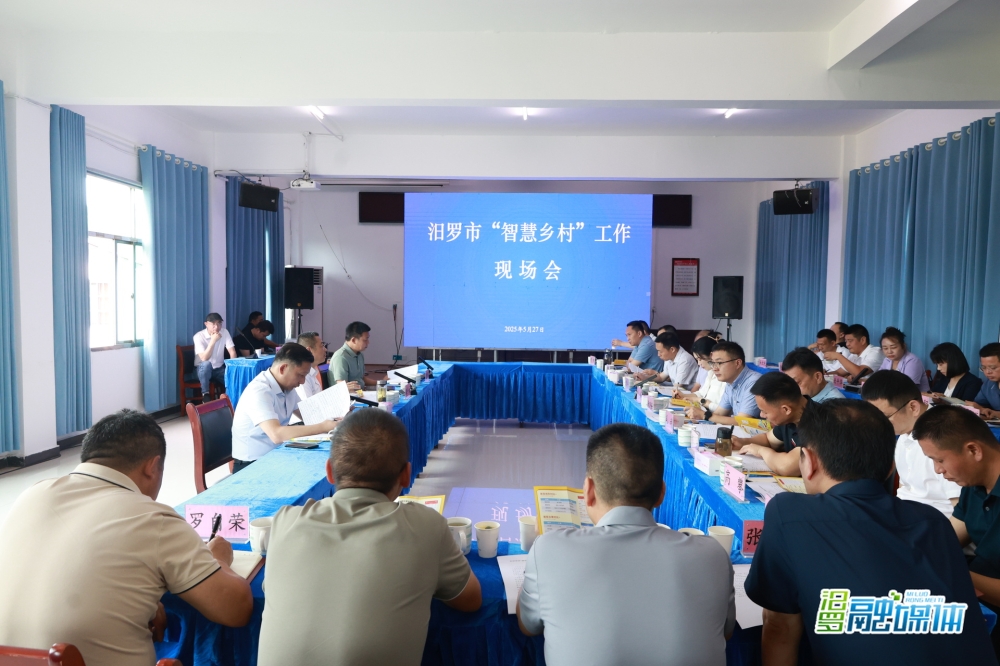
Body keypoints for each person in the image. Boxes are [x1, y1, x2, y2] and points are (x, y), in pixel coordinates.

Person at [746, 400, 995, 665]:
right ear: (890, 468)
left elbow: (780, 627)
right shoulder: (933, 521)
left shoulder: (788, 512)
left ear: (808, 462)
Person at [0, 410, 253, 666]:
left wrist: (144, 601)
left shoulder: (31, 495)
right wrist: (218, 559)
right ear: (152, 467)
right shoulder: (154, 520)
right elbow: (236, 610)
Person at [257, 408, 482, 666]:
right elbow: (470, 599)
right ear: (406, 475)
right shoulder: (425, 526)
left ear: (329, 471)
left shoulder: (285, 522)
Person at [517, 423, 734, 666]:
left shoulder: (549, 549)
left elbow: (527, 625)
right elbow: (725, 631)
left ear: (588, 490)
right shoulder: (713, 555)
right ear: (661, 493)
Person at [913, 405, 1000, 655]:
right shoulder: (974, 484)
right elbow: (951, 535)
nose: (937, 470)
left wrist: (952, 572)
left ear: (973, 450)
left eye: (939, 460)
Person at [863, 370, 961, 516]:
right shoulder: (904, 434)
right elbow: (905, 490)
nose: (878, 425)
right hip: (906, 516)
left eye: (885, 417)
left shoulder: (944, 438)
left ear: (913, 407)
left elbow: (961, 512)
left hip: (937, 522)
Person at [231, 343, 340, 471]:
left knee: (328, 462)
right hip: (252, 465)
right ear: (283, 368)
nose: (302, 382)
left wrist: (336, 419)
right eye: (301, 375)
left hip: (277, 455)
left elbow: (309, 415)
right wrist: (323, 426)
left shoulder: (287, 387)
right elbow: (276, 434)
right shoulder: (259, 391)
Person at [733, 372, 813, 476]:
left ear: (786, 409)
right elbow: (769, 440)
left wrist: (761, 451)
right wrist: (742, 442)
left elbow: (787, 467)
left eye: (765, 412)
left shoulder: (818, 424)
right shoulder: (790, 417)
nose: (761, 415)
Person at [685, 341, 761, 425]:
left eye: (719, 363)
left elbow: (742, 421)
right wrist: (695, 419)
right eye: (712, 363)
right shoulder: (730, 382)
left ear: (737, 363)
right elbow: (719, 413)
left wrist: (704, 415)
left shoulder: (754, 382)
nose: (714, 368)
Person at [193, 312, 237, 396]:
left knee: (234, 380)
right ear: (206, 324)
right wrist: (213, 340)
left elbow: (232, 352)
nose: (216, 327)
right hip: (201, 370)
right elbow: (204, 358)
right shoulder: (198, 336)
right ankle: (205, 394)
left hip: (218, 369)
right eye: (213, 324)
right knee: (206, 364)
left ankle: (230, 400)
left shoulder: (224, 332)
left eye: (219, 323)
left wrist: (232, 368)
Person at [678, 336, 726, 413]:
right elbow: (701, 393)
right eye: (697, 359)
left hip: (712, 415)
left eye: (700, 359)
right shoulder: (711, 373)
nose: (699, 363)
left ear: (711, 355)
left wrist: (701, 401)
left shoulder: (725, 378)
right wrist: (683, 395)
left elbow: (722, 410)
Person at [877, 327, 930, 392]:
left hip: (912, 396)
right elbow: (879, 379)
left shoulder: (912, 361)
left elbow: (908, 387)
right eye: (885, 348)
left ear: (903, 346)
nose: (889, 351)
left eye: (893, 347)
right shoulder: (887, 360)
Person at [330, 321, 378, 388]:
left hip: (360, 391)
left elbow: (361, 379)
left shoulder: (359, 355)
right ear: (354, 340)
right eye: (365, 340)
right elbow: (342, 387)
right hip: (350, 394)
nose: (368, 342)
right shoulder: (341, 357)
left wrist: (382, 382)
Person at [295, 331, 327, 400]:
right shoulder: (303, 377)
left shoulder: (313, 371)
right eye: (322, 346)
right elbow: (308, 405)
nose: (325, 349)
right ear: (309, 350)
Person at [972, 343, 1000, 419]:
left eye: (993, 368)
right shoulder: (988, 384)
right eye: (984, 368)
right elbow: (980, 404)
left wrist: (997, 414)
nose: (987, 372)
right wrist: (979, 409)